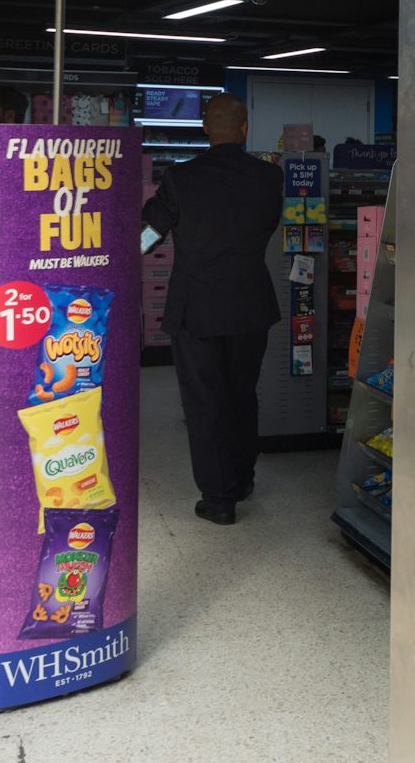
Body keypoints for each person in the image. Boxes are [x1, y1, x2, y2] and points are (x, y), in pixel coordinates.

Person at [143, 93, 283, 525]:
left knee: (204, 402)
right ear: (244, 129)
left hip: (196, 308)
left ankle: (219, 499)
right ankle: (242, 479)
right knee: (242, 395)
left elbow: (150, 232)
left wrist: (131, 249)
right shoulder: (269, 177)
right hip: (249, 305)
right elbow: (267, 226)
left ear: (205, 128)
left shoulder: (180, 177)